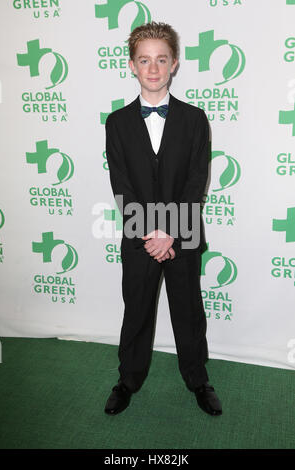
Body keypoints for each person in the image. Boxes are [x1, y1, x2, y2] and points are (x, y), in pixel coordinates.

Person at [104, 21, 222, 416]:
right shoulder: (117, 123)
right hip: (139, 238)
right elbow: (122, 185)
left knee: (188, 311)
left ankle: (197, 379)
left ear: (174, 64)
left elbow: (195, 180)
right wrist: (149, 234)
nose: (152, 68)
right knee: (136, 310)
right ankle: (127, 380)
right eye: (144, 60)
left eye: (161, 59)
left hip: (183, 236)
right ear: (132, 65)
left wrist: (169, 231)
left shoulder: (194, 119)